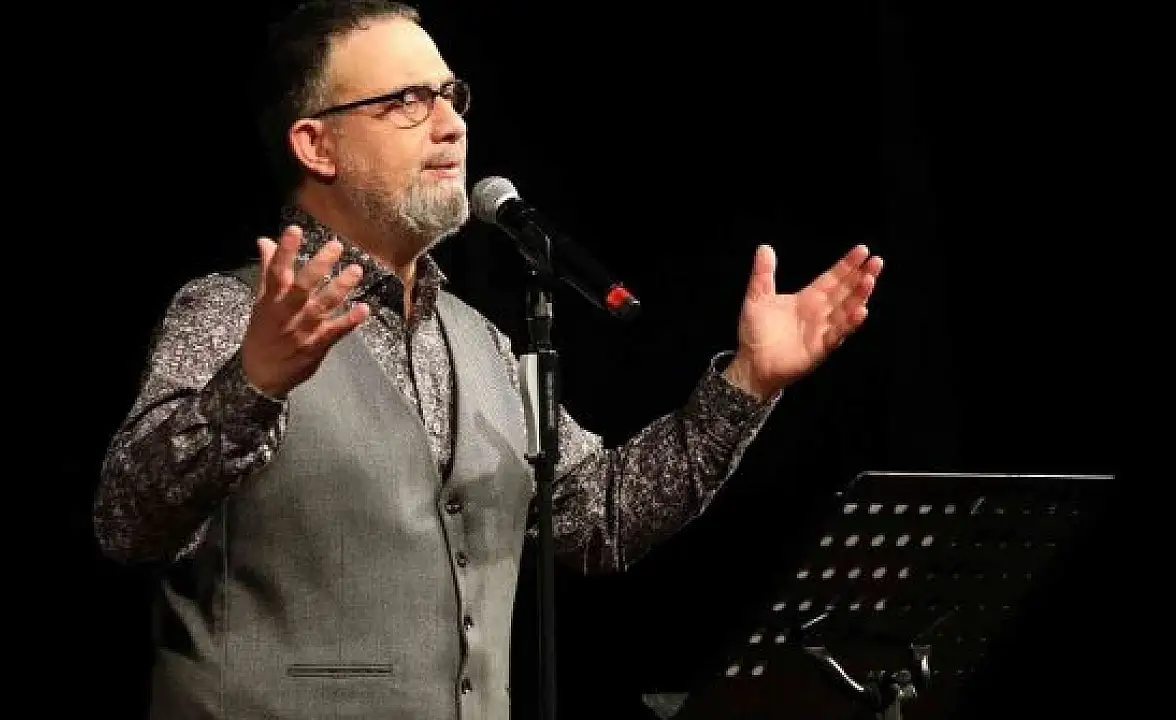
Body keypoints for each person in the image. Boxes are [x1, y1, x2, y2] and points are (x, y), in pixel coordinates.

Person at [92, 1, 884, 718]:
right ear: (316, 144)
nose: (450, 126)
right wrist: (253, 384)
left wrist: (747, 382)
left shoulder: (481, 343)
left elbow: (598, 520)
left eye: (451, 96)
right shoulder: (228, 313)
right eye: (407, 101)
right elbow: (127, 523)